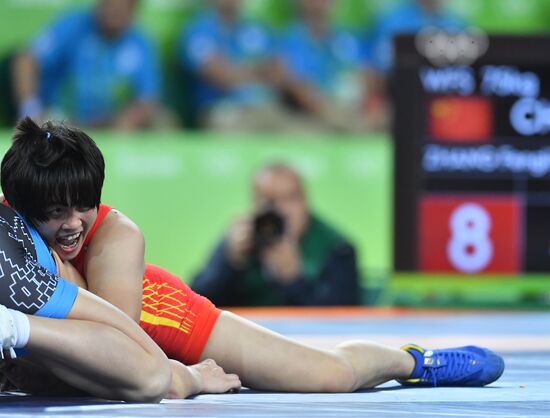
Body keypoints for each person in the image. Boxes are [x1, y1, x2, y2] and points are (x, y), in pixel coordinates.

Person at [1, 117, 505, 395]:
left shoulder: (116, 236)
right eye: (54, 213)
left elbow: (117, 361)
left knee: (328, 377)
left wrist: (189, 379)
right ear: (20, 209)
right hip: (101, 336)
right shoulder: (8, 235)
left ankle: (412, 361)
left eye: (82, 208)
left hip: (162, 318)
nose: (72, 225)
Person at [0, 203, 239, 401]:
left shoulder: (31, 282)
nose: (72, 223)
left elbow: (155, 376)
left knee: (152, 375)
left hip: (159, 305)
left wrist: (189, 377)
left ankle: (10, 326)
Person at [192, 162, 360, 306]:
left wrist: (293, 280)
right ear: (254, 204)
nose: (281, 211)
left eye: (290, 198)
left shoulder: (336, 247)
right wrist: (230, 262)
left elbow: (340, 320)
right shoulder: (241, 239)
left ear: (305, 201)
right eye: (270, 202)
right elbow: (195, 305)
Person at [11, 0, 161, 129]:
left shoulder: (140, 42)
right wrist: (30, 109)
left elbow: (148, 98)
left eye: (122, 6)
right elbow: (25, 60)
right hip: (61, 120)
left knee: (162, 121)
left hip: (111, 123)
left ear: (133, 11)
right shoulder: (73, 25)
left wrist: (129, 119)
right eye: (110, 4)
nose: (114, 11)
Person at [177, 0, 287, 131]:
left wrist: (234, 68)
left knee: (302, 133)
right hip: (222, 109)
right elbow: (221, 78)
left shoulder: (258, 28)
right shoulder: (198, 30)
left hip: (267, 106)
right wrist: (259, 70)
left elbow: (279, 74)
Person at [362, 0, 465, 130]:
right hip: (397, 102)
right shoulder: (391, 21)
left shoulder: (457, 25)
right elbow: (375, 70)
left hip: (445, 105)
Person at [275, 0, 367, 132]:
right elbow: (286, 81)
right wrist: (324, 107)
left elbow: (362, 77)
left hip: (347, 111)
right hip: (304, 116)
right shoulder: (286, 40)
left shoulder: (349, 39)